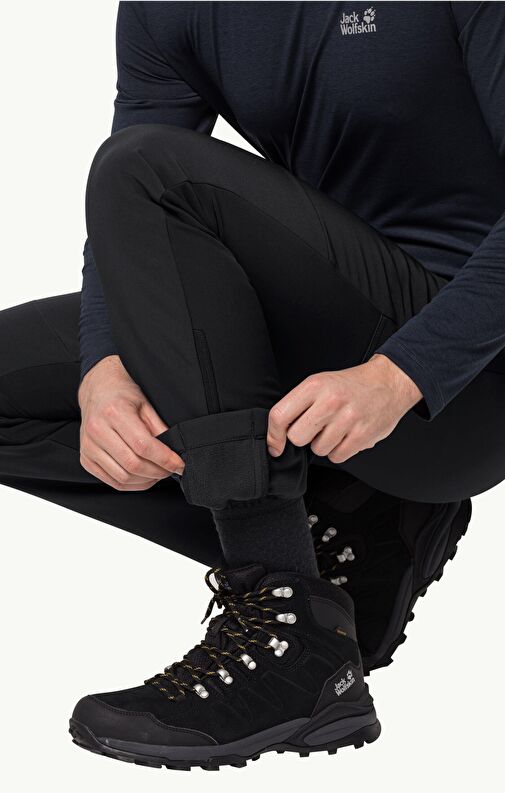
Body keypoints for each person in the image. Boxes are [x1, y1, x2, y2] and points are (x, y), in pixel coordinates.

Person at [1, 1, 504, 769]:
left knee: (147, 167)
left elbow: (141, 179)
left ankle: (287, 630)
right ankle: (351, 529)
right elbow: (127, 232)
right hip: (325, 353)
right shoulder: (167, 10)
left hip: (466, 387)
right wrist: (102, 366)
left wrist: (401, 373)